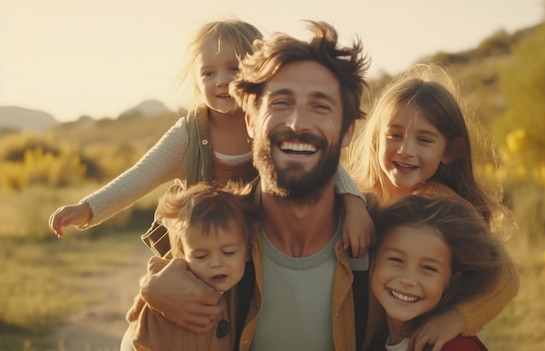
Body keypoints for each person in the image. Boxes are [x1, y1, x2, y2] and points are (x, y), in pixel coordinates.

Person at [135, 20, 383, 351]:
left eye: (320, 106)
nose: (297, 123)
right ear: (250, 121)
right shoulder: (203, 250)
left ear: (348, 131)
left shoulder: (386, 242)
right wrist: (150, 292)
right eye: (281, 103)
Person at [47, 19, 372, 258]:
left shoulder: (272, 126)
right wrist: (88, 209)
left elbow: (324, 164)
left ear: (257, 75)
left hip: (254, 244)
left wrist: (355, 205)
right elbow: (141, 177)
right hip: (198, 247)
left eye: (233, 69)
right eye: (208, 73)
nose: (221, 81)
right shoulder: (190, 133)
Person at [345, 64, 519, 351]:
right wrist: (350, 200)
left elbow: (506, 278)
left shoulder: (442, 205)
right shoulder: (359, 195)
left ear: (448, 151)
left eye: (424, 140)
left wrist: (456, 319)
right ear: (376, 137)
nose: (406, 150)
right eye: (395, 135)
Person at [126, 182, 259, 351]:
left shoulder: (245, 293)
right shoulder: (167, 297)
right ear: (182, 253)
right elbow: (142, 341)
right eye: (201, 256)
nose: (216, 263)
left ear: (247, 251)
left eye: (228, 252)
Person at [369, 195, 505, 351]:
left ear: (452, 279)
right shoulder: (374, 344)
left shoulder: (455, 347)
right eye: (396, 260)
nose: (408, 280)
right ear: (374, 259)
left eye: (428, 268)